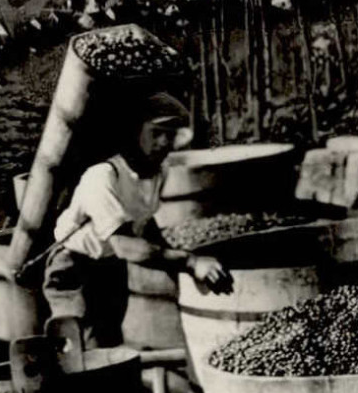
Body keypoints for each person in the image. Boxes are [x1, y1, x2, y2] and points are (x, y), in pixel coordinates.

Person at [42, 92, 233, 349]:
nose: (164, 142)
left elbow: (144, 222)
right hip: (73, 267)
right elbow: (125, 244)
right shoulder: (102, 177)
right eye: (156, 133)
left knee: (110, 340)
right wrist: (190, 261)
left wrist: (174, 263)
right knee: (82, 345)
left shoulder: (156, 174)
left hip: (110, 265)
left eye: (171, 134)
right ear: (135, 134)